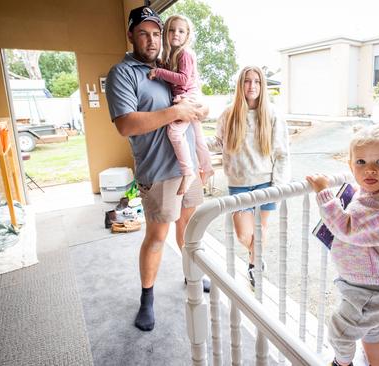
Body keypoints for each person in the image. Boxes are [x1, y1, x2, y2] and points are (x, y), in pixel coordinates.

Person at [105, 5, 209, 332]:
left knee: (188, 229)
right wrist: (176, 112)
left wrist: (200, 109)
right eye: (143, 34)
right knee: (156, 236)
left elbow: (192, 100)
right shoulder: (123, 73)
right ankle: (147, 298)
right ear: (131, 36)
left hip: (186, 166)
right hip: (158, 172)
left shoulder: (167, 66)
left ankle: (191, 273)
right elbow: (126, 124)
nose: (151, 40)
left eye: (156, 34)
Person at [306, 114, 379, 366]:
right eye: (361, 162)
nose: (370, 169)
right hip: (370, 286)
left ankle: (342, 364)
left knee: (340, 333)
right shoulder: (375, 194)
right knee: (371, 332)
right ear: (351, 166)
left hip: (369, 291)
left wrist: (324, 193)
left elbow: (345, 227)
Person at [207, 66, 290, 288]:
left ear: (262, 86)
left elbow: (282, 153)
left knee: (261, 228)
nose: (252, 86)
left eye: (257, 82)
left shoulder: (272, 114)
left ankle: (254, 265)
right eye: (247, 81)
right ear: (240, 85)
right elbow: (218, 143)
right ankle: (257, 256)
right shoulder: (229, 113)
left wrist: (279, 186)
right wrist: (195, 141)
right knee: (244, 235)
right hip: (239, 184)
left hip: (266, 183)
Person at [148, 14, 213, 195]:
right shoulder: (172, 55)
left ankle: (188, 172)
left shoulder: (185, 53)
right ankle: (207, 168)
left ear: (187, 35)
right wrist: (162, 65)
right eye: (171, 30)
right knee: (198, 137)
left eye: (181, 31)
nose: (176, 34)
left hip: (189, 96)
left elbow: (183, 79)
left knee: (174, 133)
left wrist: (160, 72)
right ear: (166, 33)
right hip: (187, 96)